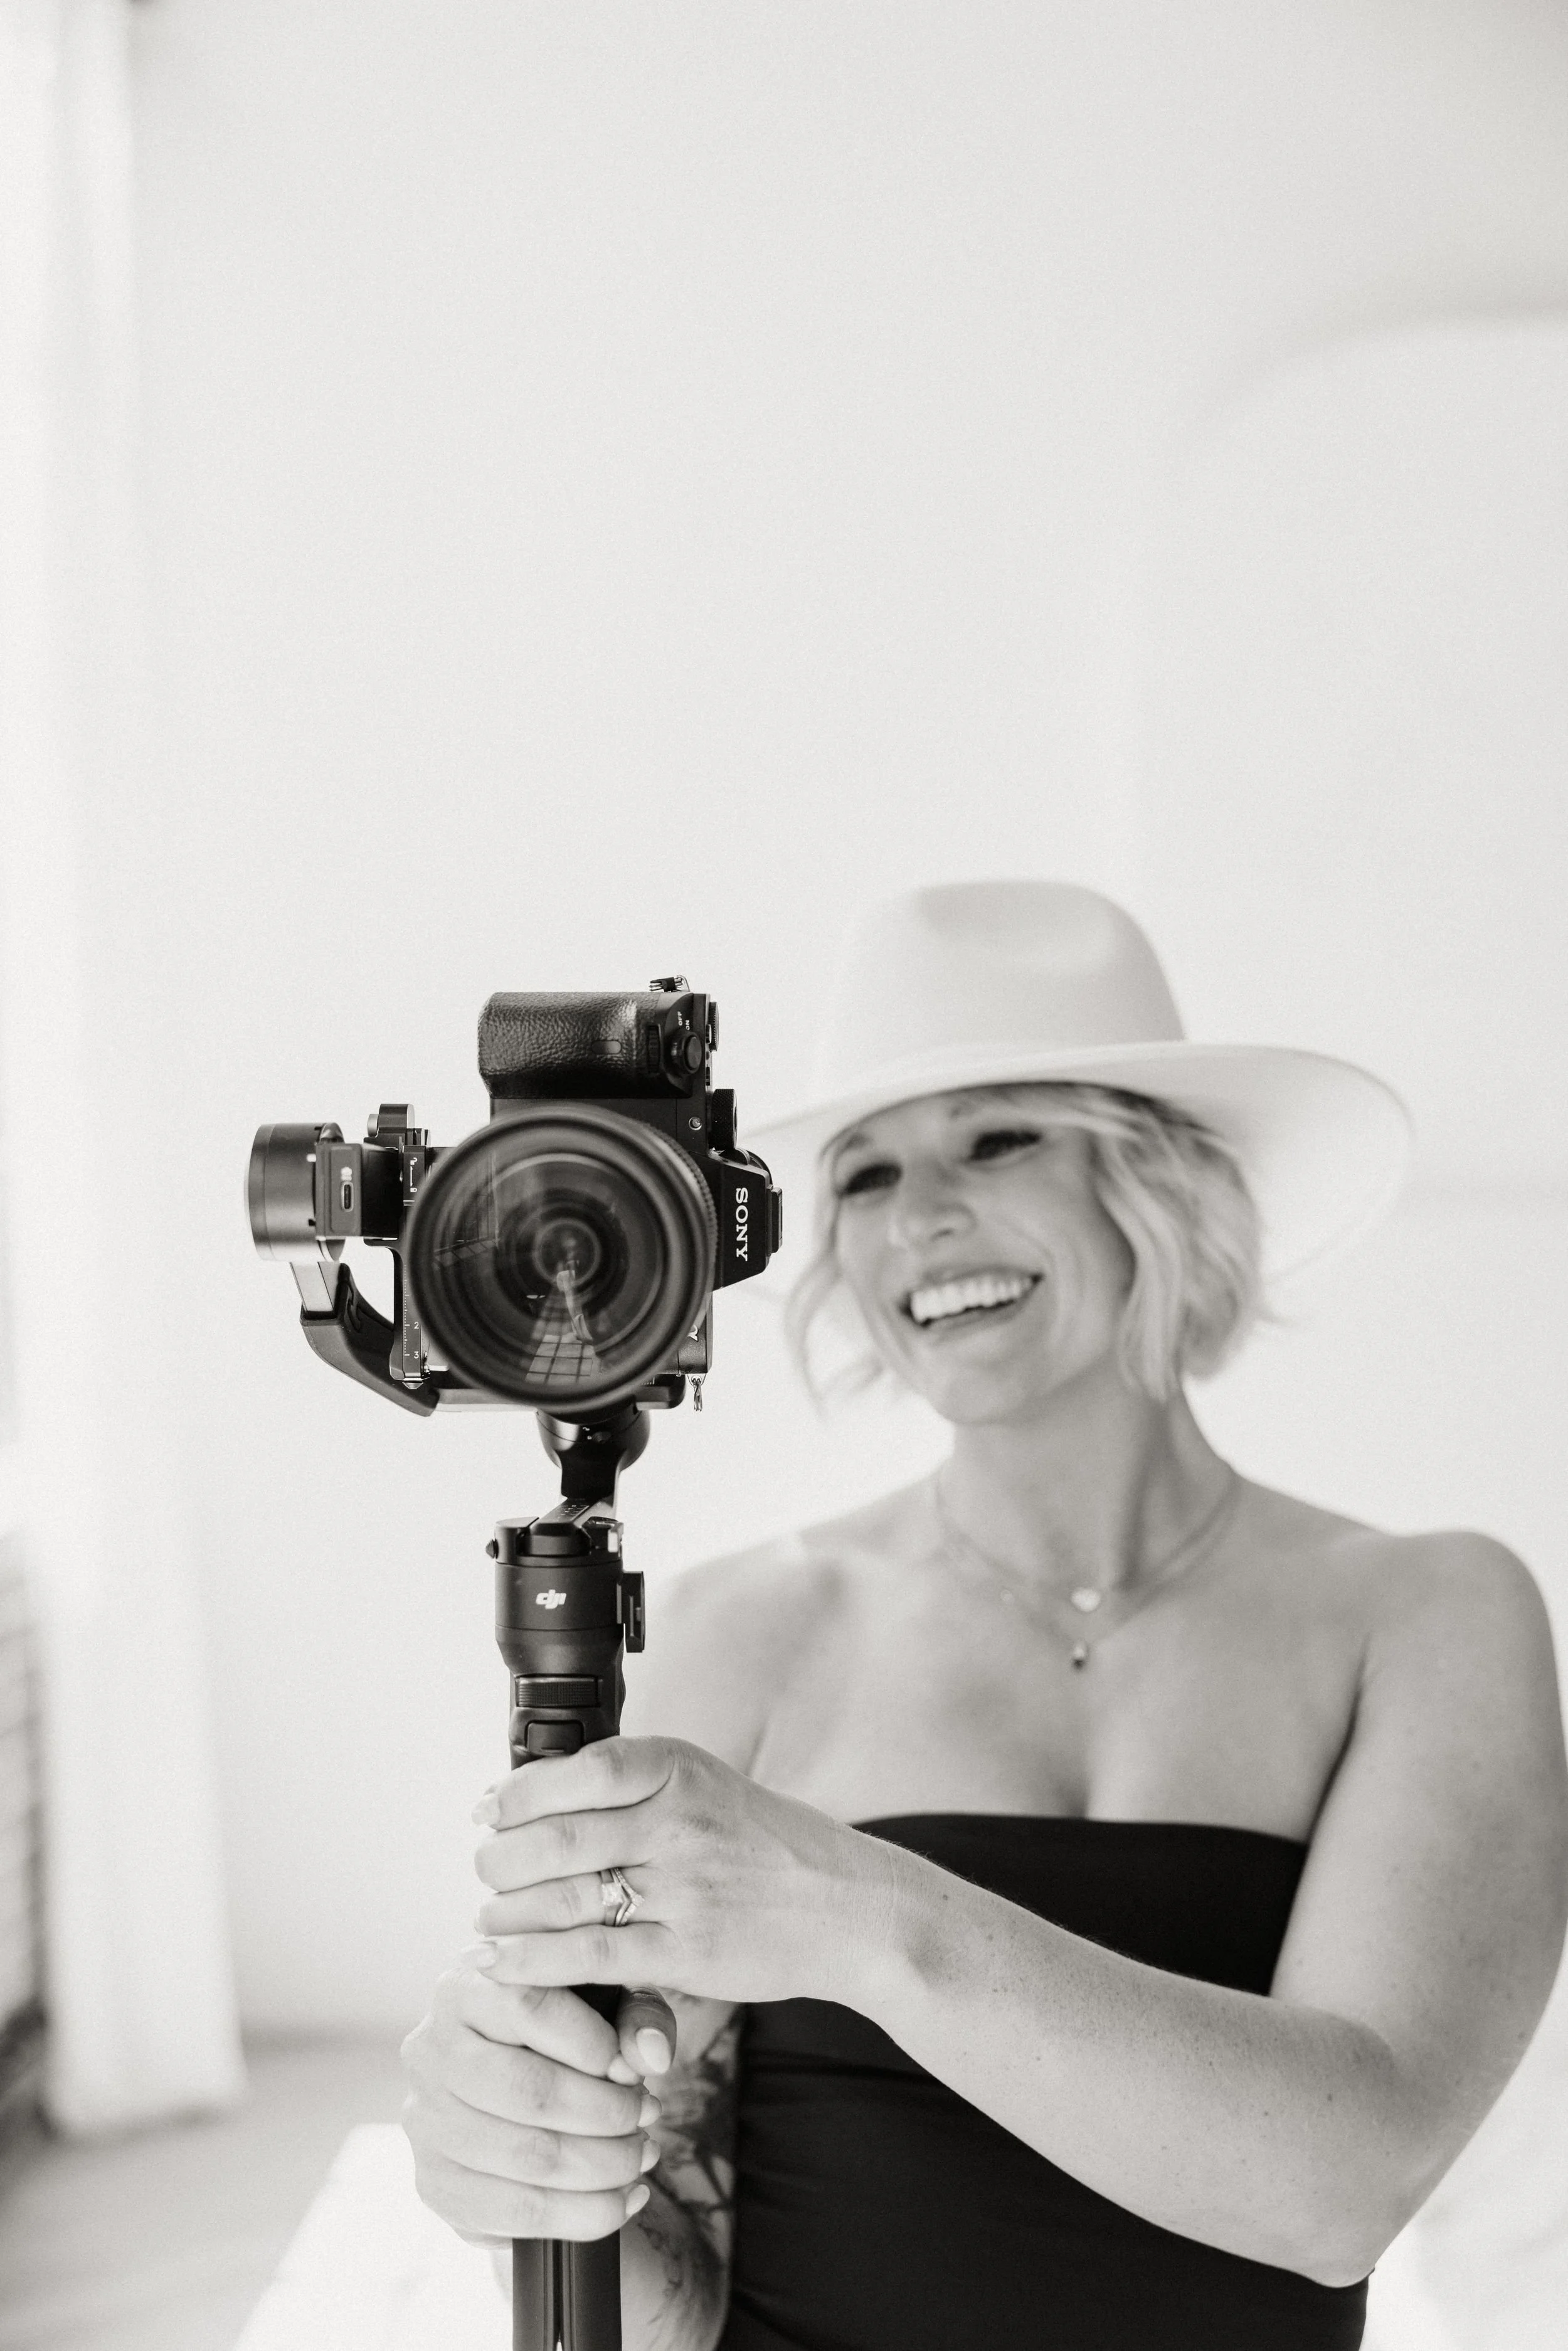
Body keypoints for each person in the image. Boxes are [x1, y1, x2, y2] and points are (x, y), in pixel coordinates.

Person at [400, 881, 1568, 2351]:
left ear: (1157, 1180)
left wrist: (856, 1909)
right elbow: (679, 2297)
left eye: (997, 1137)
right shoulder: (750, 1627)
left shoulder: (1429, 1613)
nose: (920, 1221)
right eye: (869, 1177)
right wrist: (532, 2175)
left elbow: (1340, 2181)